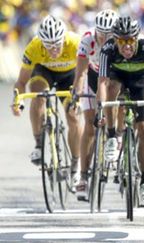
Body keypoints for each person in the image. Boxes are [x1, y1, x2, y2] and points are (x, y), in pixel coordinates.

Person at [11, 15, 82, 184]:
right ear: (41, 42)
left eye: (57, 44)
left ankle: (76, 163)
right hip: (44, 73)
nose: (54, 50)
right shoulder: (34, 47)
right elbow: (21, 82)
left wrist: (79, 96)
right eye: (48, 46)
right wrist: (18, 101)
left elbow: (85, 72)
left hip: (70, 76)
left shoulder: (75, 43)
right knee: (38, 95)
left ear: (64, 39)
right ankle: (38, 143)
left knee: (73, 115)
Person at [97, 16, 144, 207]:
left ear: (137, 38)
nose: (127, 46)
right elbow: (103, 83)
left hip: (141, 83)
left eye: (130, 40)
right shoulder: (107, 50)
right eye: (122, 42)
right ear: (115, 40)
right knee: (112, 89)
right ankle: (113, 136)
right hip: (118, 80)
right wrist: (101, 109)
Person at [70, 9, 118, 200]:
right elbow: (80, 74)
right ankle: (83, 176)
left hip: (113, 76)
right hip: (92, 77)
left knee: (116, 105)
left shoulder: (121, 41)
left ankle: (117, 139)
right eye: (102, 33)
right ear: (95, 30)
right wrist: (76, 94)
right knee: (89, 127)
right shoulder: (87, 39)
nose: (105, 38)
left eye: (109, 34)